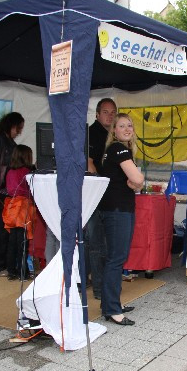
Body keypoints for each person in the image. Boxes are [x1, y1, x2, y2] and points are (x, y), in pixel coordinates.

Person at [98, 114, 144, 326]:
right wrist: (136, 181)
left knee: (116, 258)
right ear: (114, 131)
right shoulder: (119, 149)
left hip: (115, 209)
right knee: (116, 259)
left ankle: (111, 304)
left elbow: (134, 184)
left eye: (130, 125)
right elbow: (138, 180)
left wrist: (134, 183)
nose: (127, 129)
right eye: (122, 126)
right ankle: (112, 310)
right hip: (118, 211)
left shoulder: (114, 151)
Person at [0, 112, 25, 278]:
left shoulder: (9, 142)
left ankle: (2, 264)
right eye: (19, 128)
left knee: (5, 229)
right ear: (12, 125)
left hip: (7, 192)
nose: (19, 132)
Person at [86, 98, 116, 299]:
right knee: (97, 243)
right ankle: (98, 288)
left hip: (110, 195)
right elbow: (89, 163)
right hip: (96, 194)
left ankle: (101, 284)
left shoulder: (112, 135)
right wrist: (99, 188)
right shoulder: (93, 133)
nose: (110, 115)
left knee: (104, 243)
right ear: (97, 114)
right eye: (106, 112)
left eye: (113, 112)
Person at [2, 145, 36, 281]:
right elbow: (30, 189)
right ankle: (23, 272)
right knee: (23, 242)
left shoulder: (10, 172)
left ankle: (11, 271)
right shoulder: (26, 172)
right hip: (23, 208)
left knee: (12, 242)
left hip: (11, 206)